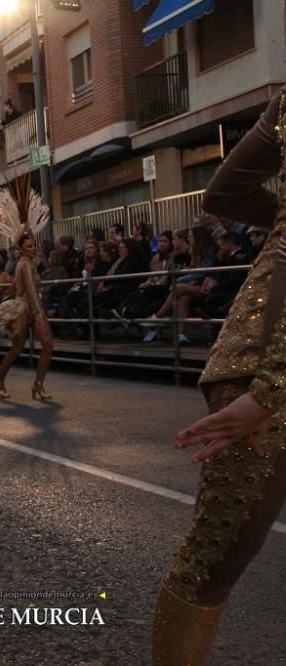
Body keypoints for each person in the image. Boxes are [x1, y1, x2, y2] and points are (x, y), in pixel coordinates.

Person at [151, 88, 286, 666]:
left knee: (215, 563)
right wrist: (272, 388)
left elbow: (226, 191)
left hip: (261, 373)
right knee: (214, 561)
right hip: (264, 371)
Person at [0, 179, 54, 400]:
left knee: (46, 346)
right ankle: (1, 382)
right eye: (29, 246)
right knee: (20, 348)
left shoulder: (28, 263)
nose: (34, 248)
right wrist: (40, 316)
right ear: (21, 249)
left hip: (29, 309)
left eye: (34, 245)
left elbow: (21, 286)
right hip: (25, 311)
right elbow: (29, 290)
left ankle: (37, 384)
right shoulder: (23, 264)